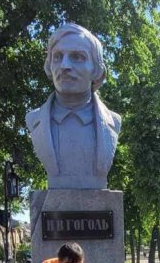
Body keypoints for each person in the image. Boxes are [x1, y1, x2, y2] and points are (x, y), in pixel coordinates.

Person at [25, 23, 121, 190]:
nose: (64, 66)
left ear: (96, 70)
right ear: (49, 65)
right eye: (58, 57)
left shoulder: (113, 121)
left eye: (77, 57)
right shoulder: (34, 120)